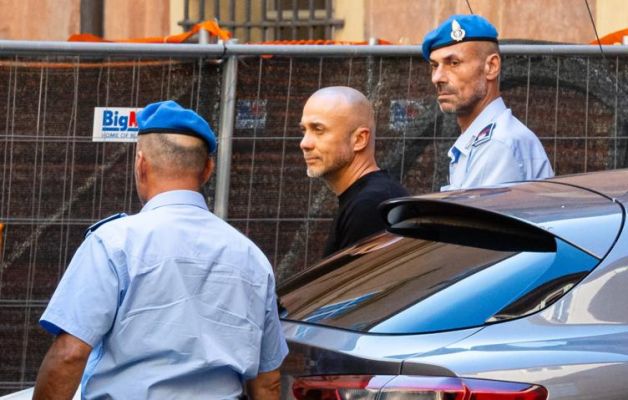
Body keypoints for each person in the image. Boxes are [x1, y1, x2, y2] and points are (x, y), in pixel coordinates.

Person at [33, 100, 288, 400]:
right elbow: (268, 382)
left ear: (141, 164)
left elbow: (69, 355)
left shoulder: (113, 244)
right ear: (208, 169)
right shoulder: (251, 257)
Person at [423, 14, 554, 191]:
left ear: (491, 67)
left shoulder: (497, 144)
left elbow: (470, 210)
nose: (437, 78)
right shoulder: (486, 139)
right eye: (434, 66)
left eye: (454, 63)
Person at [300, 86, 409, 258]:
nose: (304, 143)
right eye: (304, 130)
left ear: (359, 139)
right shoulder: (368, 199)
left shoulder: (370, 205)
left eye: (318, 130)